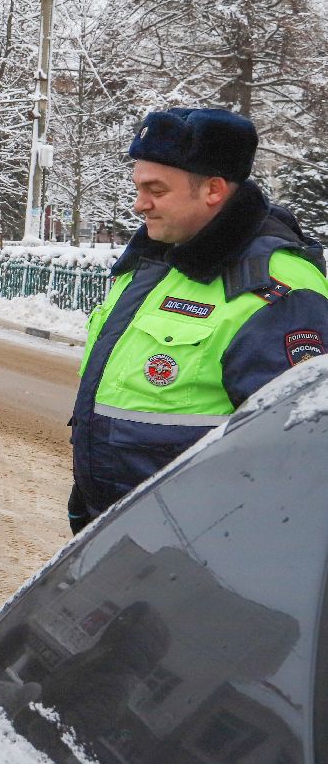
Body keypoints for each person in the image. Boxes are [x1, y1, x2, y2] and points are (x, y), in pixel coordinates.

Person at [69, 107, 328, 531]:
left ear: (212, 190)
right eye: (138, 187)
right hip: (117, 533)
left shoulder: (276, 288)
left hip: (203, 548)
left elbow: (296, 460)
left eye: (155, 189)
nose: (139, 205)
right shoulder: (153, 260)